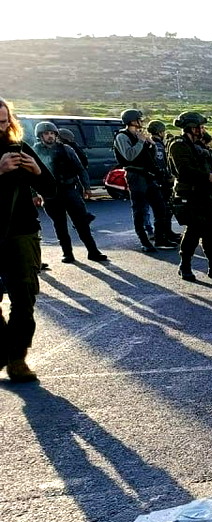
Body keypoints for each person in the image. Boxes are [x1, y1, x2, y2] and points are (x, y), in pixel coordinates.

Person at [0, 97, 57, 382]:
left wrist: (36, 172)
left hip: (22, 232)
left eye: (5, 121)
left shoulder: (20, 148)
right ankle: (3, 348)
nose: (2, 127)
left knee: (24, 298)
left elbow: (50, 188)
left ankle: (17, 358)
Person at [166, 111, 212, 282]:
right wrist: (207, 177)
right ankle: (185, 266)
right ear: (192, 128)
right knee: (193, 231)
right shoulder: (178, 145)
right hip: (189, 195)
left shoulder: (199, 145)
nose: (203, 129)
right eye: (200, 127)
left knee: (211, 231)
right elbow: (184, 170)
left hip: (205, 194)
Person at [31, 121, 106, 263]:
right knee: (59, 225)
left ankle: (93, 251)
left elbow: (80, 169)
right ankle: (67, 253)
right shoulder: (35, 152)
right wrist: (34, 194)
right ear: (40, 136)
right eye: (46, 134)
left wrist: (87, 187)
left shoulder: (66, 149)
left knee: (82, 223)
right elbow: (31, 175)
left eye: (52, 133)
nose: (50, 136)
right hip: (50, 194)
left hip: (69, 190)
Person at [114, 109, 175, 251]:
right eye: (139, 119)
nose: (142, 122)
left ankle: (160, 239)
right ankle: (144, 242)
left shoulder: (140, 135)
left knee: (161, 208)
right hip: (135, 176)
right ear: (132, 121)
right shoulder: (122, 137)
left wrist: (151, 144)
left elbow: (151, 157)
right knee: (139, 210)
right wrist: (141, 142)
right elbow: (129, 156)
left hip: (148, 175)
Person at [145, 120, 181, 245]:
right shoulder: (157, 146)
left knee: (166, 210)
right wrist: (168, 177)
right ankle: (161, 238)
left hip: (156, 182)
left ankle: (168, 233)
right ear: (160, 132)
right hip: (160, 183)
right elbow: (161, 165)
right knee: (162, 211)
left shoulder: (152, 143)